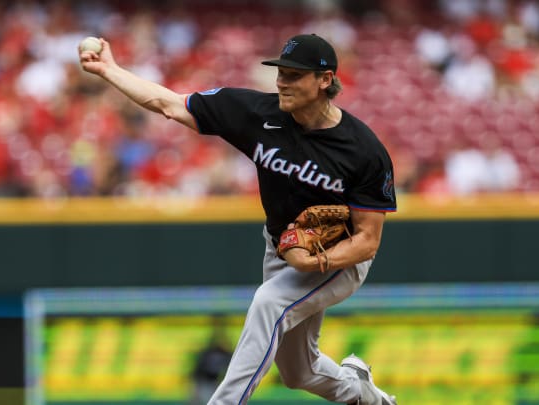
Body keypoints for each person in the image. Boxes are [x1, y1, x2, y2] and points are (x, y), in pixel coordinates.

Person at [79, 33, 397, 405]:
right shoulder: (257, 114)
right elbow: (168, 103)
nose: (282, 81)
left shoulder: (364, 150)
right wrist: (110, 71)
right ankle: (363, 393)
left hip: (340, 258)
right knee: (299, 372)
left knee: (269, 303)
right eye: (281, 72)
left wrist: (319, 260)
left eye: (294, 74)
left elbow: (368, 240)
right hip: (281, 248)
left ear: (324, 80)